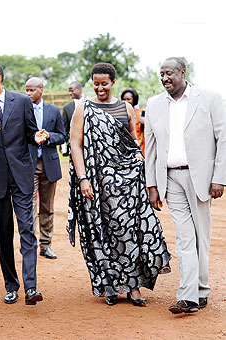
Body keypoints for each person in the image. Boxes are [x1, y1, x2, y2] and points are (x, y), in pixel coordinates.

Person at [68, 62, 171, 307]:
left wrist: (140, 162)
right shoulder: (83, 108)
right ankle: (111, 285)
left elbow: (133, 142)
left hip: (127, 182)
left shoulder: (125, 107)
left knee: (130, 231)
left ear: (113, 83)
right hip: (97, 183)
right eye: (96, 84)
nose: (100, 88)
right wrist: (83, 178)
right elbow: (75, 144)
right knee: (105, 232)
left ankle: (134, 288)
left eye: (104, 84)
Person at [145, 57, 226, 314]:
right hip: (170, 178)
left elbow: (222, 138)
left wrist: (219, 177)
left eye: (169, 73)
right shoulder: (154, 104)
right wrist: (152, 184)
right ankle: (189, 296)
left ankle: (201, 290)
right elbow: (152, 148)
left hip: (201, 177)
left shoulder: (210, 98)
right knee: (184, 236)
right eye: (161, 74)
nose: (165, 78)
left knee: (201, 234)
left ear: (183, 72)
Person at [0, 63, 47, 305]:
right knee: (3, 234)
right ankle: (11, 285)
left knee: (27, 231)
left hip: (22, 177)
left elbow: (31, 133)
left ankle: (31, 287)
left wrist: (37, 137)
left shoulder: (22, 102)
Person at [25, 77, 65, 259]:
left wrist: (49, 136)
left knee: (47, 207)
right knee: (30, 206)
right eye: (26, 90)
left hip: (49, 163)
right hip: (29, 165)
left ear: (41, 90)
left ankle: (46, 245)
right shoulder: (22, 109)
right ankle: (30, 245)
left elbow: (62, 136)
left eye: (32, 90)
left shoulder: (54, 110)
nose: (28, 93)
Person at [61, 81, 84, 156]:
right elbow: (65, 129)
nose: (70, 93)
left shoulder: (90, 103)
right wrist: (63, 148)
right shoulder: (67, 108)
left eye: (72, 90)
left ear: (79, 90)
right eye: (69, 91)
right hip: (74, 146)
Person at [121, 88, 145, 155]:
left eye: (128, 99)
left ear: (134, 99)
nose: (126, 101)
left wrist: (146, 123)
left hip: (140, 145)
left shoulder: (141, 112)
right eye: (124, 99)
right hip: (125, 146)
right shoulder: (120, 113)